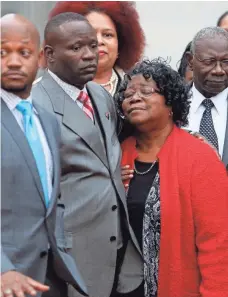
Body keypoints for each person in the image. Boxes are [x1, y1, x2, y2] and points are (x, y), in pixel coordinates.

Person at [32, 12, 143, 297]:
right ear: (50, 54)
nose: (89, 55)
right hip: (72, 257)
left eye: (92, 46)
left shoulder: (98, 93)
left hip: (121, 248)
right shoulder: (34, 106)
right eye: (76, 48)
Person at [116, 58, 228, 297]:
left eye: (146, 92)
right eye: (128, 94)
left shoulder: (200, 157)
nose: (134, 98)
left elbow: (218, 244)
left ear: (171, 102)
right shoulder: (116, 154)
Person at [1, 14, 87, 297]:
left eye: (23, 52)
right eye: (2, 52)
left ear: (39, 59)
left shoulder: (47, 121)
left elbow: (52, 198)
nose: (13, 61)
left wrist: (59, 246)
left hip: (50, 279)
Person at [38, 1, 145, 141]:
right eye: (91, 34)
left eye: (107, 35)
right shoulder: (40, 93)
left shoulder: (136, 90)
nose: (99, 41)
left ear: (121, 44)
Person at [186, 26, 228, 169]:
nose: (219, 70)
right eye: (209, 62)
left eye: (226, 62)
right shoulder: (169, 105)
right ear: (191, 61)